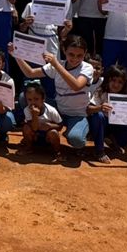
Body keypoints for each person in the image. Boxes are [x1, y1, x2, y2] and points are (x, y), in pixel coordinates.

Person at [41, 35, 105, 163]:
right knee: (25, 97)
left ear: (85, 54)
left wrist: (56, 65)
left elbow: (76, 86)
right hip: (58, 109)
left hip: (77, 114)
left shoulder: (87, 68)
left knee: (77, 140)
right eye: (71, 54)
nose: (75, 58)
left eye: (79, 55)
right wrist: (18, 56)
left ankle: (75, 131)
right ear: (64, 50)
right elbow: (30, 73)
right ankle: (39, 137)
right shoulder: (58, 65)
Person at [95, 64, 127, 163]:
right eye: (113, 80)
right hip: (102, 125)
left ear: (124, 84)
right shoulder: (100, 91)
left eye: (120, 82)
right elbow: (88, 109)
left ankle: (115, 143)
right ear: (108, 80)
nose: (116, 85)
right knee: (98, 116)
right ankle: (99, 150)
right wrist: (100, 107)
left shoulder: (125, 95)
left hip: (117, 125)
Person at [19, 82, 62, 160]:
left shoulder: (51, 110)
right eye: (29, 100)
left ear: (43, 99)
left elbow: (60, 125)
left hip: (47, 138)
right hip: (35, 136)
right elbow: (34, 128)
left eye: (36, 99)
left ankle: (57, 152)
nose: (33, 102)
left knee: (53, 132)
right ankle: (28, 148)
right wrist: (34, 115)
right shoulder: (27, 110)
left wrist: (50, 126)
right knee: (26, 128)